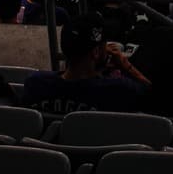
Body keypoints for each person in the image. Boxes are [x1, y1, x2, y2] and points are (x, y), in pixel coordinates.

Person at [18, 14, 151, 114]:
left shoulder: (35, 83)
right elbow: (150, 93)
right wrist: (124, 64)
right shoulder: (119, 89)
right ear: (96, 52)